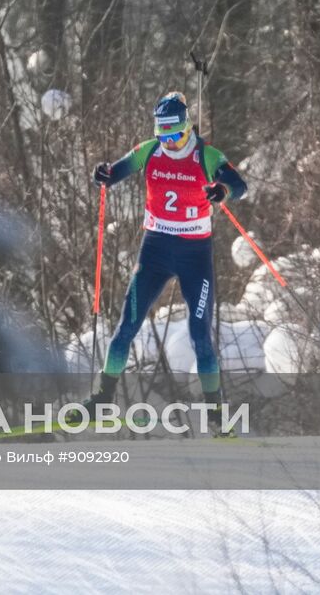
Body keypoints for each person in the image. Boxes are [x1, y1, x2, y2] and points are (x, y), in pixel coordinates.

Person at [81, 91, 248, 417]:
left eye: (175, 136)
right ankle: (103, 396)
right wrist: (102, 173)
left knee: (200, 335)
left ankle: (215, 412)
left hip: (194, 255)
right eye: (163, 137)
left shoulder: (206, 156)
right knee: (126, 327)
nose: (169, 144)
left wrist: (223, 190)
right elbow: (113, 173)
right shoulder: (150, 150)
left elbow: (239, 186)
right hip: (155, 250)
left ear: (187, 128)